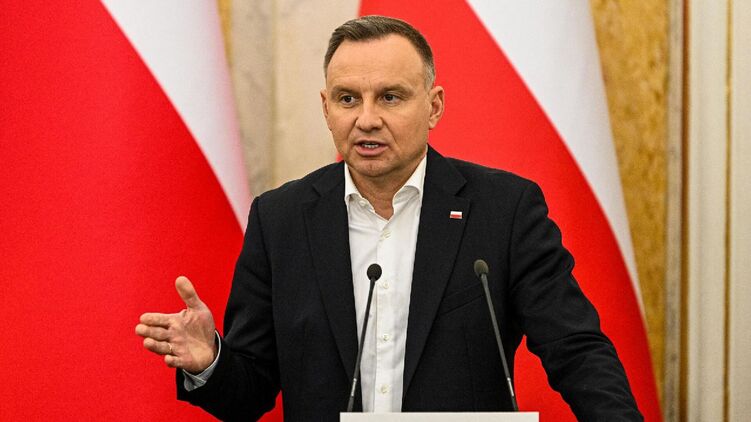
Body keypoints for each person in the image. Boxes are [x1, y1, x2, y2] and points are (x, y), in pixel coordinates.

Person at [136, 15, 642, 421]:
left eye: (390, 97)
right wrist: (211, 362)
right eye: (347, 99)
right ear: (326, 108)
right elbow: (249, 393)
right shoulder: (281, 220)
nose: (367, 119)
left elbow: (575, 349)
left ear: (434, 106)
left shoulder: (503, 210)